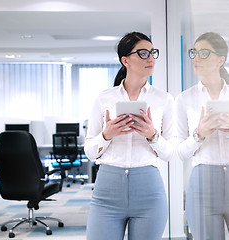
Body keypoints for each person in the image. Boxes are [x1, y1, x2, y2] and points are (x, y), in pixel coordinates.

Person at [84, 32, 174, 240]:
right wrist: (107, 135)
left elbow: (170, 153)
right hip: (107, 190)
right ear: (125, 60)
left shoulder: (164, 99)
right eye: (143, 53)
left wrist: (152, 135)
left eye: (152, 53)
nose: (151, 58)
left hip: (149, 192)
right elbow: (89, 152)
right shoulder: (104, 98)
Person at [175, 32, 229, 240]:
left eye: (204, 53)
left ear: (220, 60)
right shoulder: (184, 99)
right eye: (194, 53)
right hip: (203, 185)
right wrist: (199, 134)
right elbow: (180, 151)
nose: (196, 59)